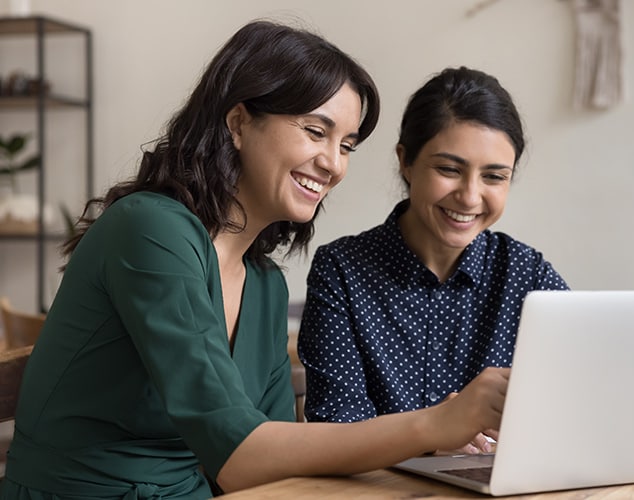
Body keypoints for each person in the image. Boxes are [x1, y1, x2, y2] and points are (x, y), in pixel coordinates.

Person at [0, 23, 509, 498]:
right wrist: (433, 423)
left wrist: (431, 441)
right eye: (315, 131)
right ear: (239, 122)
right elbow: (239, 453)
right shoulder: (150, 230)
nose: (333, 164)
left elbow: (273, 455)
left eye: (347, 145)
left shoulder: (264, 284)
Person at [298, 66, 568, 453]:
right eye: (449, 169)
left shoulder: (527, 275)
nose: (470, 197)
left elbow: (579, 400)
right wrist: (435, 433)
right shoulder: (342, 270)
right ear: (406, 162)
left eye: (494, 177)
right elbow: (335, 426)